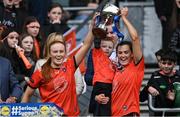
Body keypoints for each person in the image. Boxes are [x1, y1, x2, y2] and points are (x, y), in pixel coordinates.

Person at [21, 14, 96, 116]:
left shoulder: (70, 65)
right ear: (50, 53)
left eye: (61, 51)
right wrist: (22, 114)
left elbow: (86, 45)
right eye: (55, 52)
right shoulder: (41, 72)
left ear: (65, 52)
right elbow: (27, 94)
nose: (58, 54)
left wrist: (92, 27)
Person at [96, 7, 144, 116]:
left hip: (129, 113)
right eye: (120, 53)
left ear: (132, 54)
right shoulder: (114, 69)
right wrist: (97, 97)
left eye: (126, 52)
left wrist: (123, 18)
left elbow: (135, 38)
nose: (123, 56)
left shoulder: (136, 66)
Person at [34, 32, 85, 97]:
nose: (57, 45)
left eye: (60, 42)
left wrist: (66, 97)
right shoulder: (40, 63)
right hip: (46, 105)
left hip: (67, 104)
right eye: (54, 43)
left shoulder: (71, 62)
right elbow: (35, 87)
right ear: (48, 46)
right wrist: (50, 97)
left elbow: (79, 85)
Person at [140, 49, 180, 116]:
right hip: (160, 114)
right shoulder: (155, 77)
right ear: (160, 63)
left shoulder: (178, 76)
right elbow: (141, 98)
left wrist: (172, 99)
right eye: (164, 63)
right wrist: (148, 88)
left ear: (175, 64)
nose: (166, 66)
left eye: (169, 64)